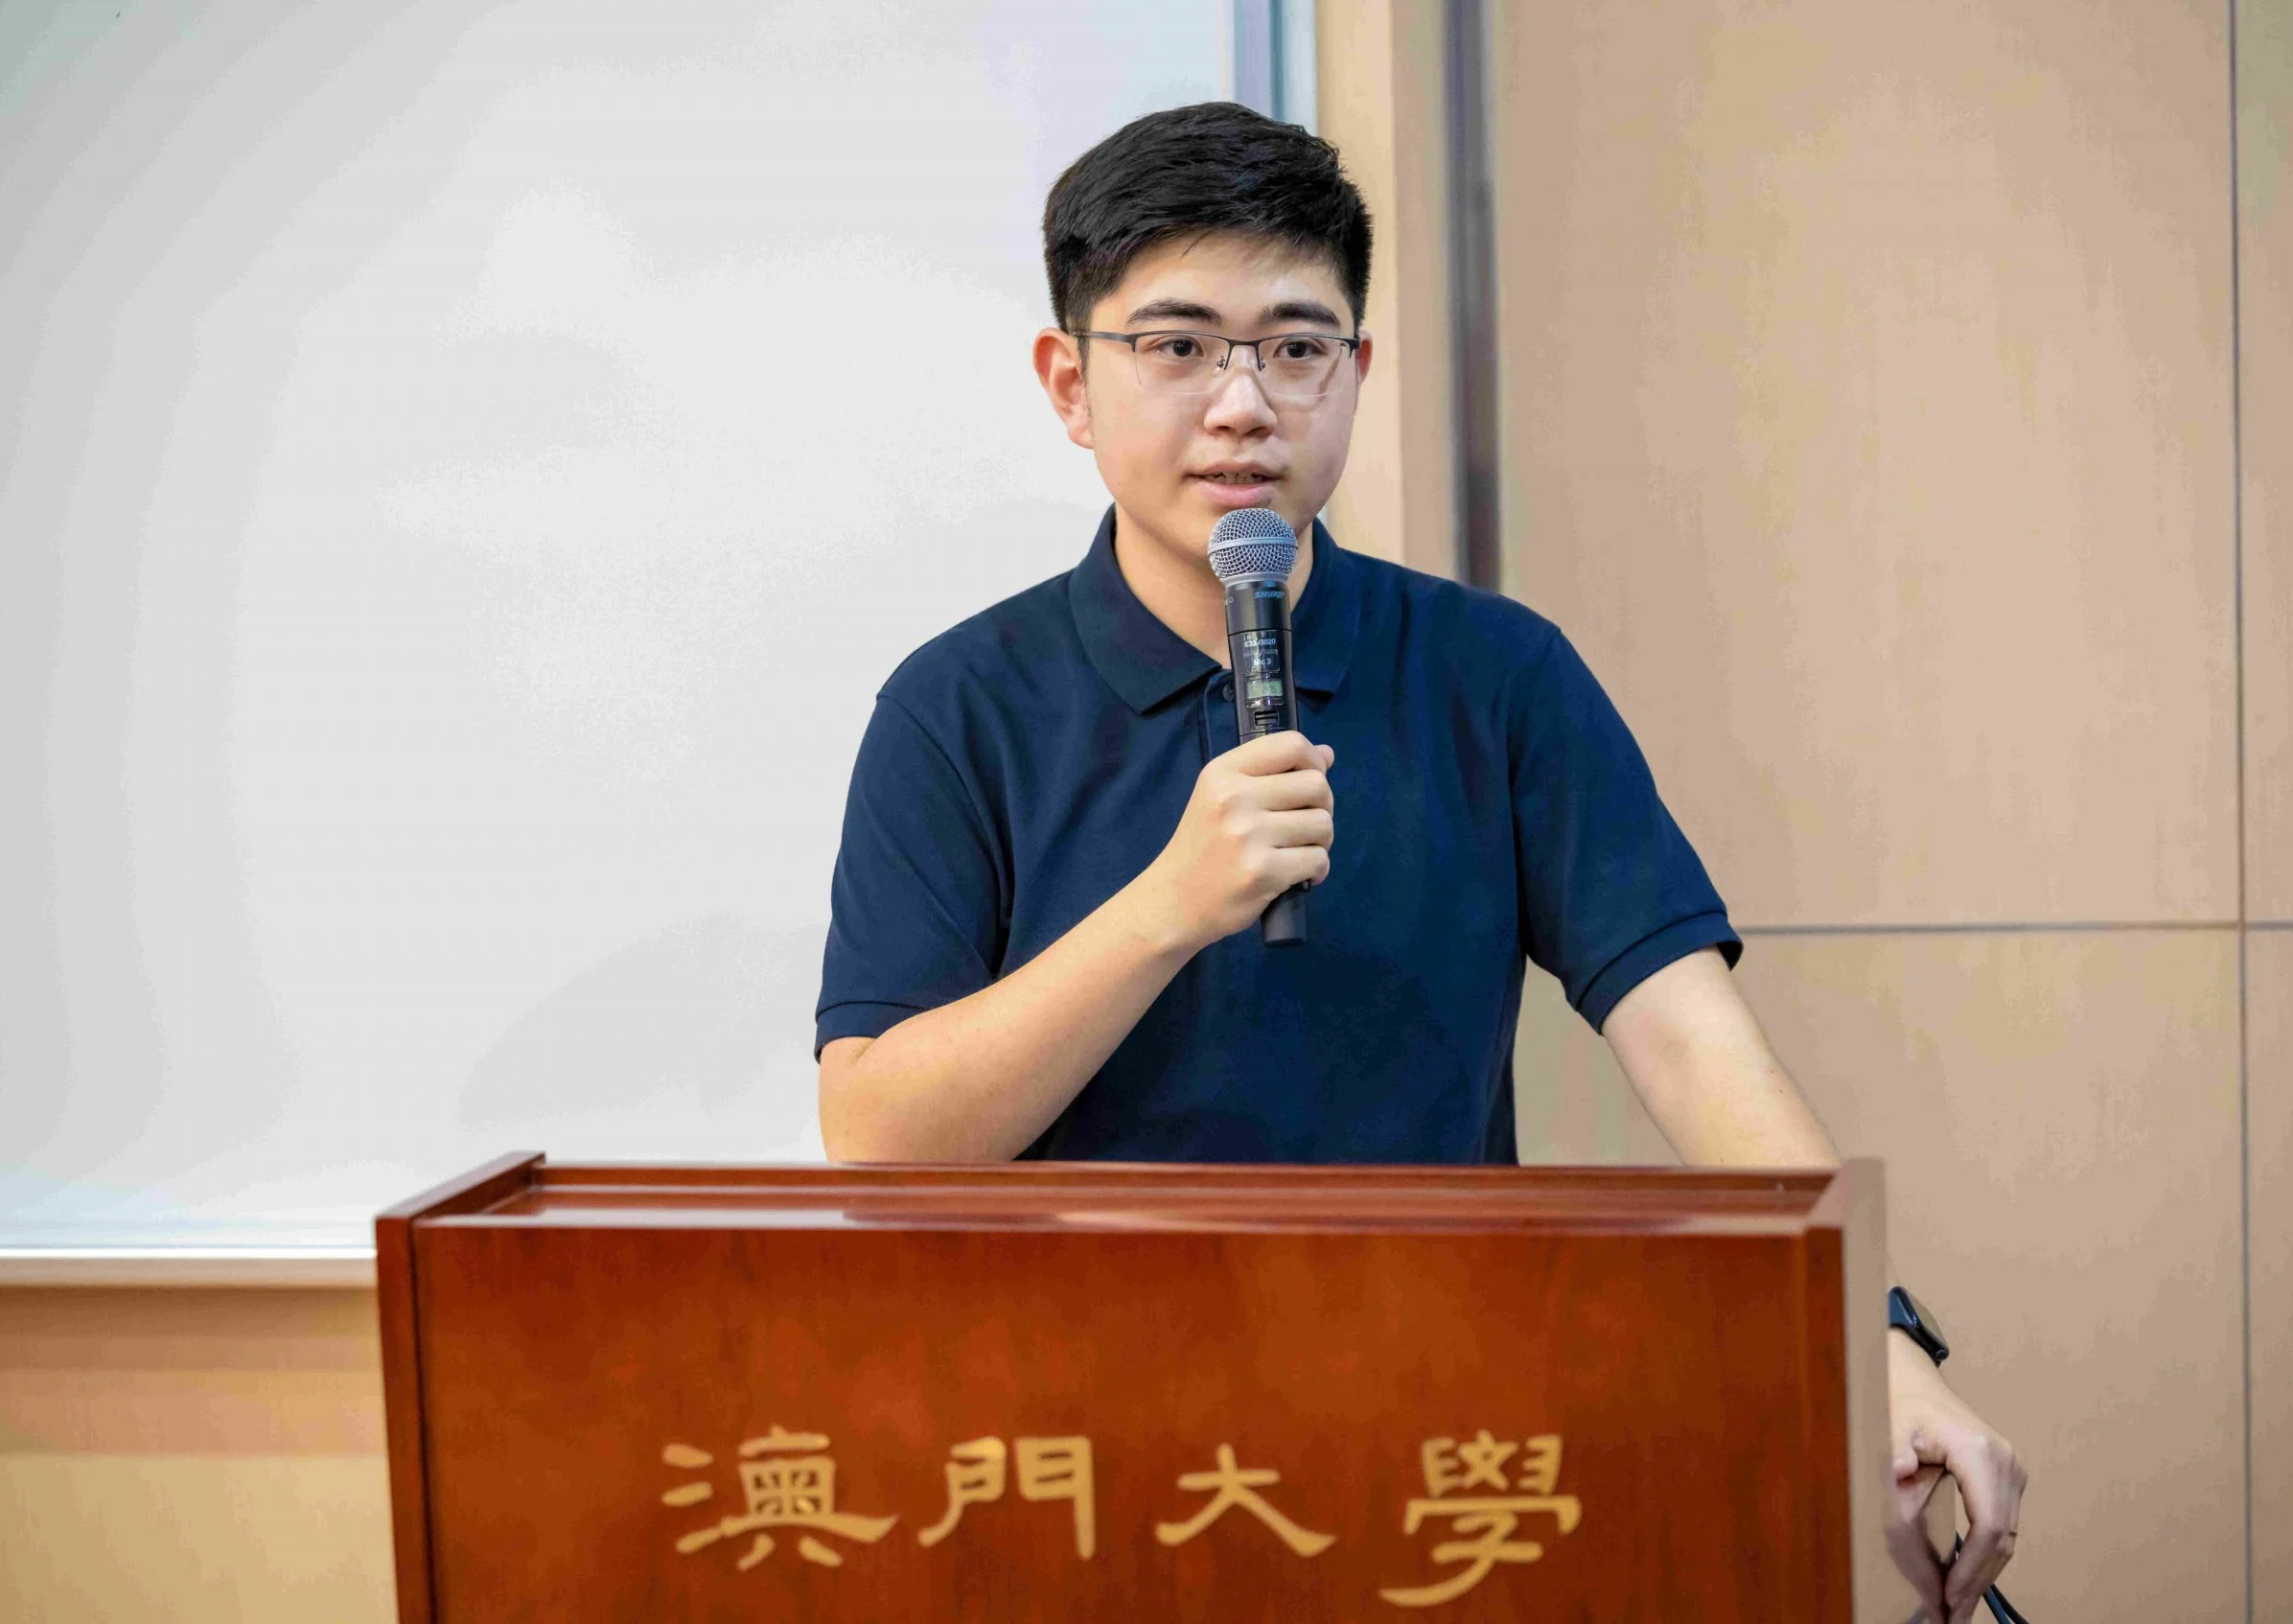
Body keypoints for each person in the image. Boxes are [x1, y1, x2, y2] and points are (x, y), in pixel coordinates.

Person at [813, 101, 2023, 1620]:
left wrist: (1879, 1347)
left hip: (1436, 1441)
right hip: (1067, 1466)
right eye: (1179, 346)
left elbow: (1693, 1040)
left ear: (1357, 372)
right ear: (1071, 381)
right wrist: (1166, 909)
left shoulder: (1494, 674)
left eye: (1295, 346)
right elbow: (879, 1136)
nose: (1243, 403)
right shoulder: (958, 708)